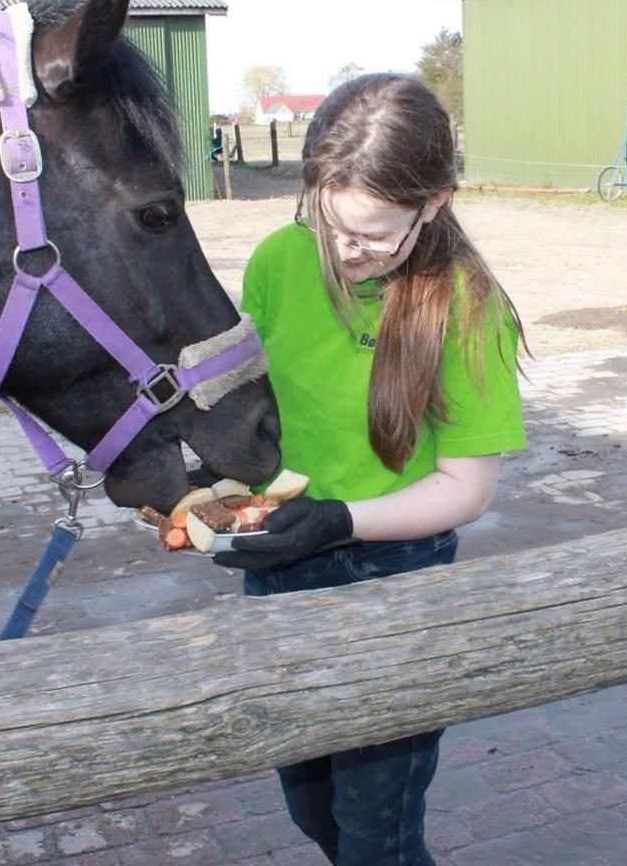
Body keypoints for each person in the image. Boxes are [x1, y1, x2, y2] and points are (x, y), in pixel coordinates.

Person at [213, 73, 527, 866]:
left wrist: (338, 520)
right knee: (312, 810)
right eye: (329, 225)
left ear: (434, 203)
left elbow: (468, 488)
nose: (345, 252)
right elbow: (255, 404)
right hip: (282, 567)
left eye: (374, 236)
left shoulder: (467, 304)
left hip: (396, 575)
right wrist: (209, 486)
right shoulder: (280, 259)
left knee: (375, 840)